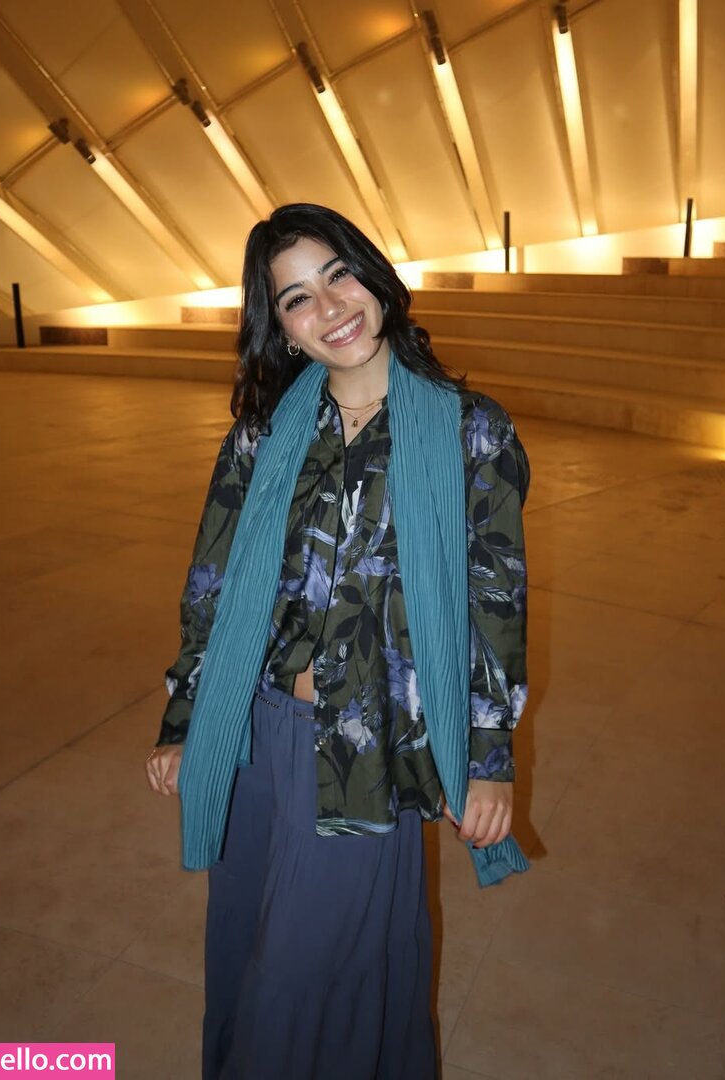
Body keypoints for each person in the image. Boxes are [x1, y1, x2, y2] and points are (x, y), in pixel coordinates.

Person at [145, 203, 530, 1080]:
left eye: (338, 275)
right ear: (280, 329)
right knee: (244, 940)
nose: (329, 307)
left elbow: (494, 606)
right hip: (255, 731)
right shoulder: (262, 437)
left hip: (367, 746)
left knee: (306, 974)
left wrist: (488, 760)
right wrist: (185, 719)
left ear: (374, 276)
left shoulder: (471, 432)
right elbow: (212, 585)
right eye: (296, 299)